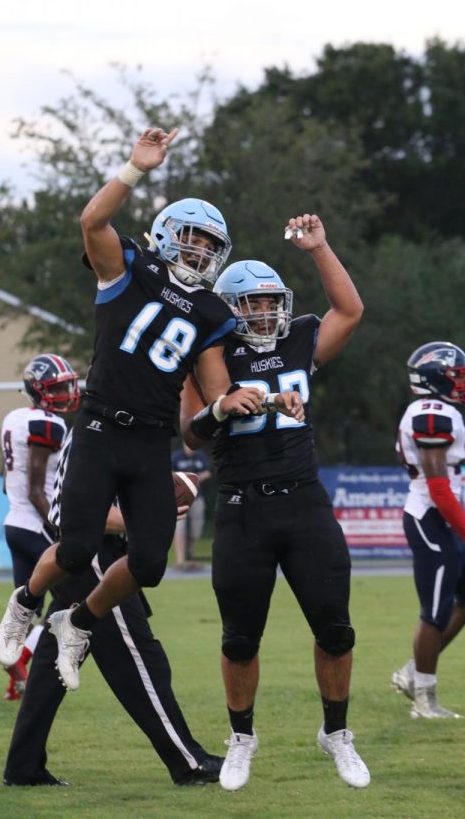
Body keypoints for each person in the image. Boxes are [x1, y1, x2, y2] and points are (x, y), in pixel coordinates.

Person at [0, 126, 303, 692]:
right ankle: (25, 602)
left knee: (150, 565)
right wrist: (136, 169)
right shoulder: (130, 267)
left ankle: (78, 620)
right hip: (99, 425)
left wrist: (241, 401)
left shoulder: (212, 311)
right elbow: (92, 222)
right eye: (193, 238)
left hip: (149, 439)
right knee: (77, 545)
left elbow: (214, 397)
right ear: (166, 235)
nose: (201, 250)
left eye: (212, 245)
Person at [180, 213, 370, 791]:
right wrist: (243, 405)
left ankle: (336, 733)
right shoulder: (209, 348)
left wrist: (319, 247)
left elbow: (351, 311)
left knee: (335, 628)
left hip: (304, 502)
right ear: (232, 308)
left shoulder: (297, 337)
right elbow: (191, 429)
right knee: (239, 637)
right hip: (242, 506)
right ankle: (242, 737)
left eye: (270, 302)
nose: (264, 313)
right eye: (253, 304)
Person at [3, 496, 224, 787]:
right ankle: (188, 761)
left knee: (51, 661)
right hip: (96, 557)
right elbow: (89, 512)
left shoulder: (89, 450)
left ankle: (23, 765)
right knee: (138, 658)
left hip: (80, 553)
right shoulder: (93, 449)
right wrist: (153, 514)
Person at [0, 353, 80, 699]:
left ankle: (16, 670)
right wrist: (60, 528)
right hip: (37, 525)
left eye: (66, 385)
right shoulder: (50, 424)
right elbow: (36, 491)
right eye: (57, 387)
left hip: (14, 525)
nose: (65, 392)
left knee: (25, 609)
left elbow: (9, 485)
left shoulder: (15, 417)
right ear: (39, 390)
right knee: (70, 600)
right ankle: (28, 657)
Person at [391, 341, 465, 718]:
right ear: (436, 377)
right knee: (434, 610)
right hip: (430, 517)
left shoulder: (438, 411)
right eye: (455, 375)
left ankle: (412, 673)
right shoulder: (434, 412)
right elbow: (438, 487)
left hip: (442, 516)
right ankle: (425, 700)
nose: (460, 382)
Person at [170, 442, 211, 569]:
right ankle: (180, 561)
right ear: (183, 444)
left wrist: (195, 478)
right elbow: (169, 473)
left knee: (196, 529)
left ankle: (190, 555)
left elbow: (207, 472)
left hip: (197, 499)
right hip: (179, 499)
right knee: (179, 528)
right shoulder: (176, 457)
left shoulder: (200, 457)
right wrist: (184, 480)